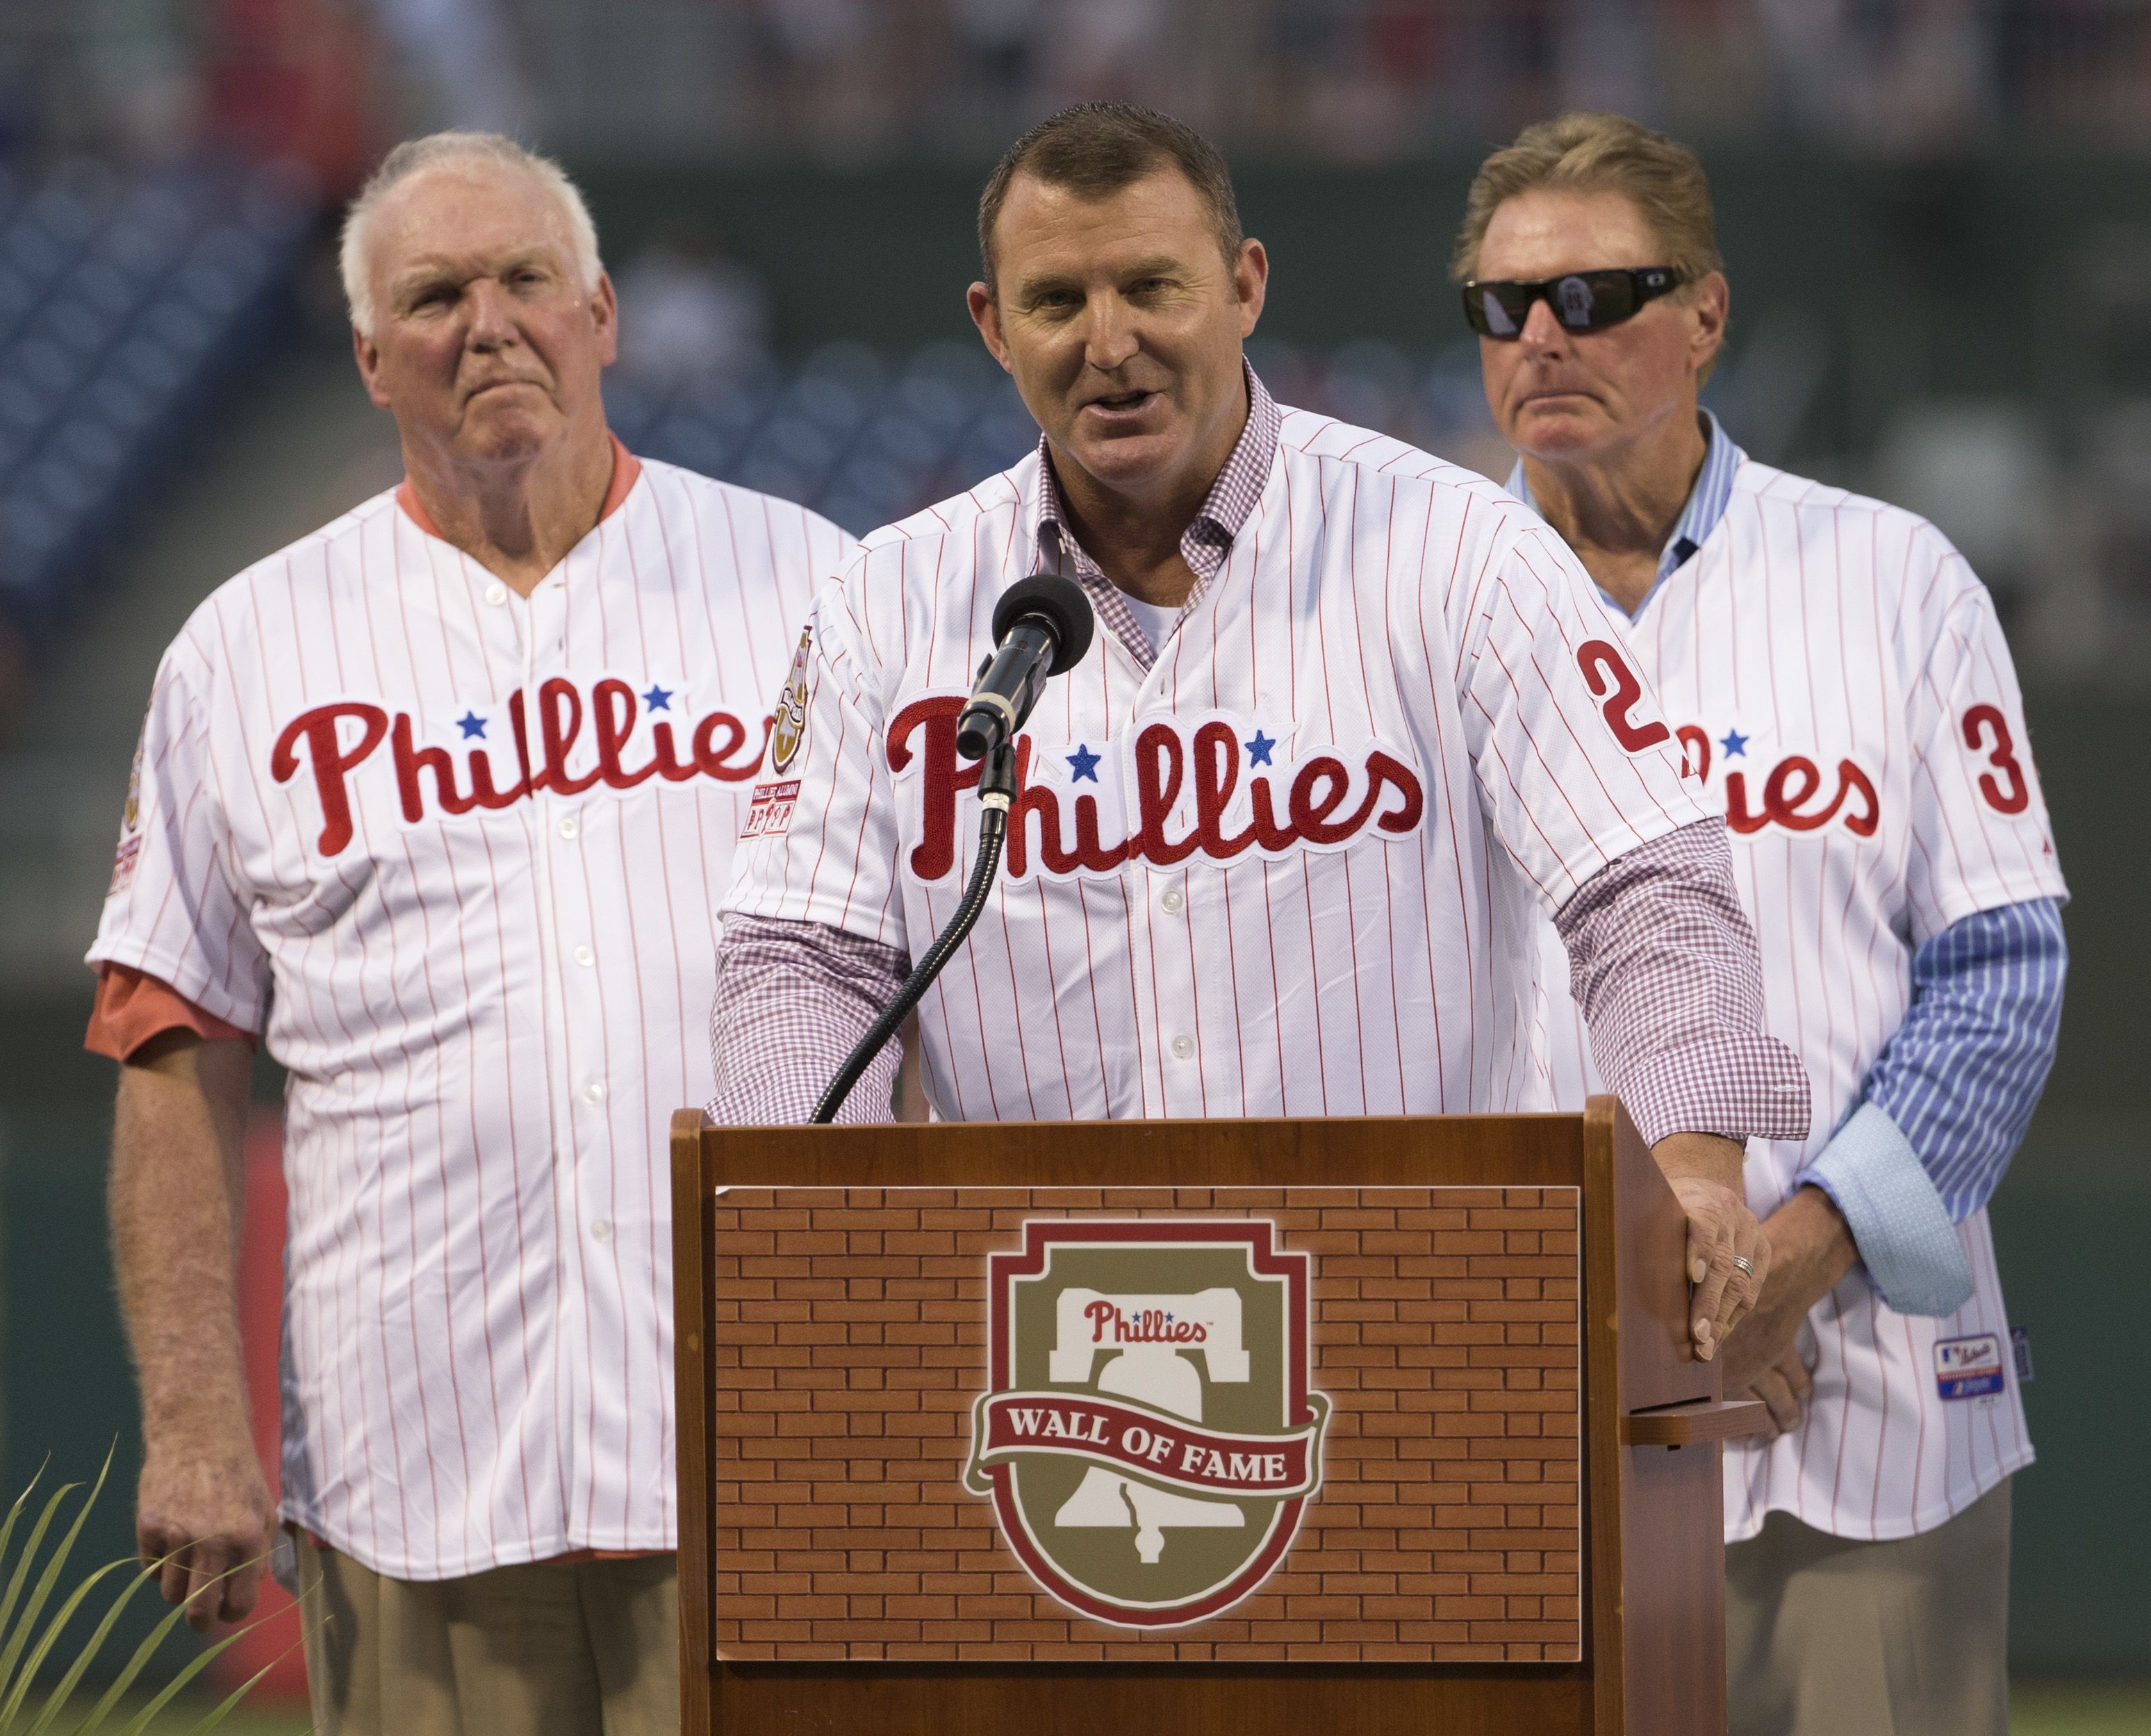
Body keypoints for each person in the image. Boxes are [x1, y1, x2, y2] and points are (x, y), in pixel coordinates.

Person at [709, 101, 1811, 1368]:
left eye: (1153, 287)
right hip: (1041, 1358)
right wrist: (790, 1230)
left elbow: (1646, 892)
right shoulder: (883, 602)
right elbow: (804, 964)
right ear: (993, 327)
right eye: (1058, 300)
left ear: (1243, 287)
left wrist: (1693, 1174)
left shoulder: (1459, 555)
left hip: (1409, 1333)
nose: (1109, 343)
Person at [85, 131, 854, 1735]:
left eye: (523, 280)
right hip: (413, 1467)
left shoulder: (811, 587)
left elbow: (933, 987)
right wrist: (193, 1418)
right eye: (435, 294)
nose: (487, 322)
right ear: (370, 357)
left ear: (605, 313)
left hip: (769, 1438)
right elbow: (165, 1047)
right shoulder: (249, 648)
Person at [1449, 112, 2067, 1736]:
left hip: (1859, 1410)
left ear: (1707, 312)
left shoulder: (1893, 580)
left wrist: (1796, 1258)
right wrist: (1644, 1303)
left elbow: (1999, 978)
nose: (1541, 340)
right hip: (1531, 1420)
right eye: (1504, 307)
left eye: (1594, 295)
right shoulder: (1405, 604)